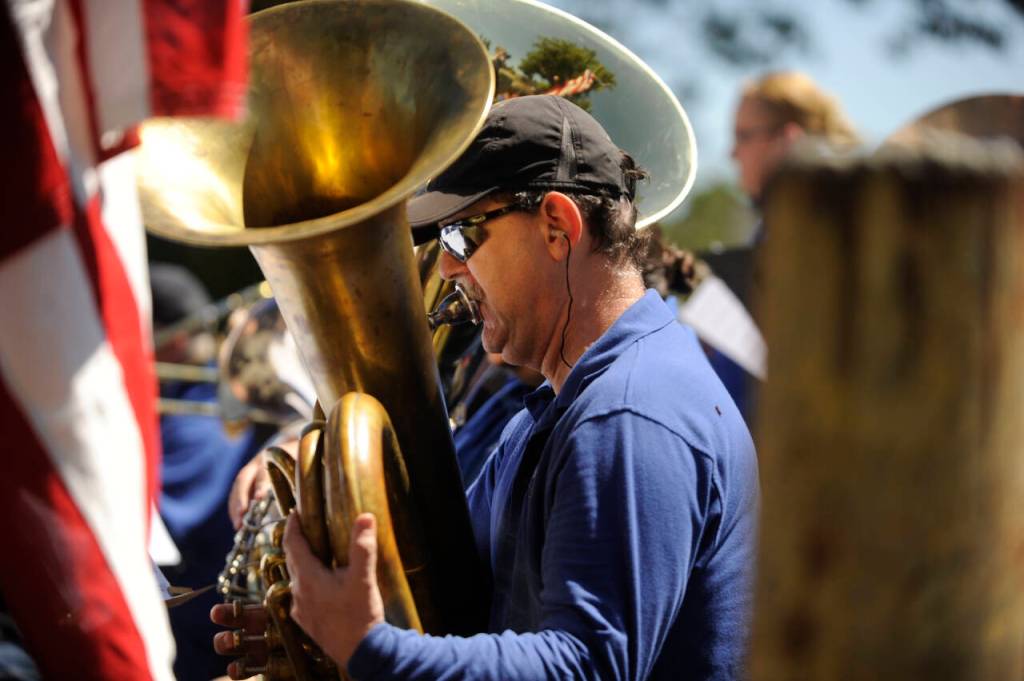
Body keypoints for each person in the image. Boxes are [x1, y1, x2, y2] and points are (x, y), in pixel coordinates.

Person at [213, 94, 759, 680]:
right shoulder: (550, 412)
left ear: (557, 227)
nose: (445, 268)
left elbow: (585, 667)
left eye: (462, 236)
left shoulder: (630, 411)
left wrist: (366, 647)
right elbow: (460, 607)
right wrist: (313, 625)